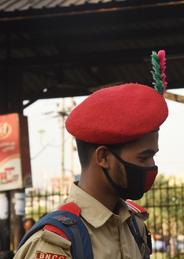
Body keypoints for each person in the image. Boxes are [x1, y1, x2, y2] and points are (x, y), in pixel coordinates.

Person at [15, 50, 170, 259]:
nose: (152, 166)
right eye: (143, 157)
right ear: (103, 158)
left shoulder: (134, 227)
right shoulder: (56, 244)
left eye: (153, 156)